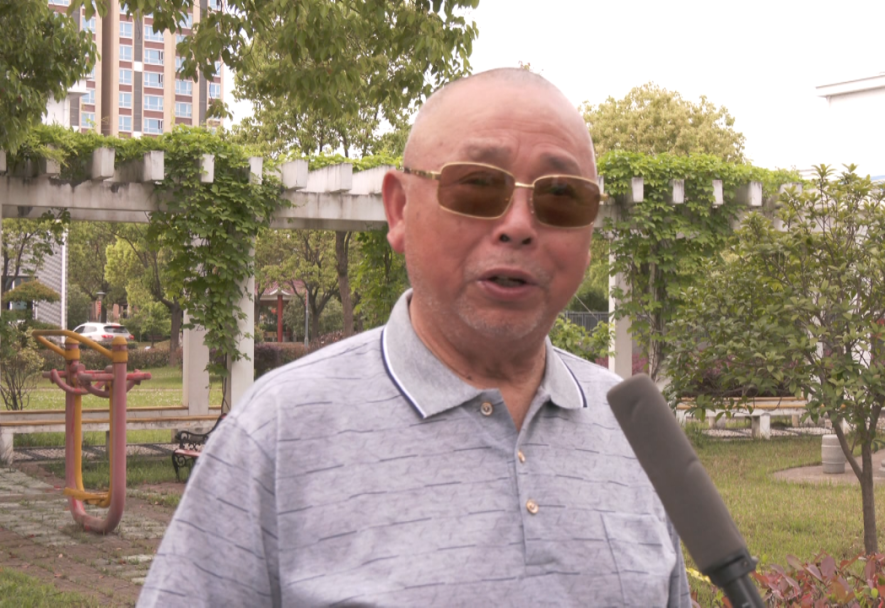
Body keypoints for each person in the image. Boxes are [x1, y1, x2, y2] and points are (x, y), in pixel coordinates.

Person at [138, 68, 692, 607]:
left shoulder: (633, 429)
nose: (520, 225)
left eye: (562, 196)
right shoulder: (278, 432)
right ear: (399, 209)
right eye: (478, 185)